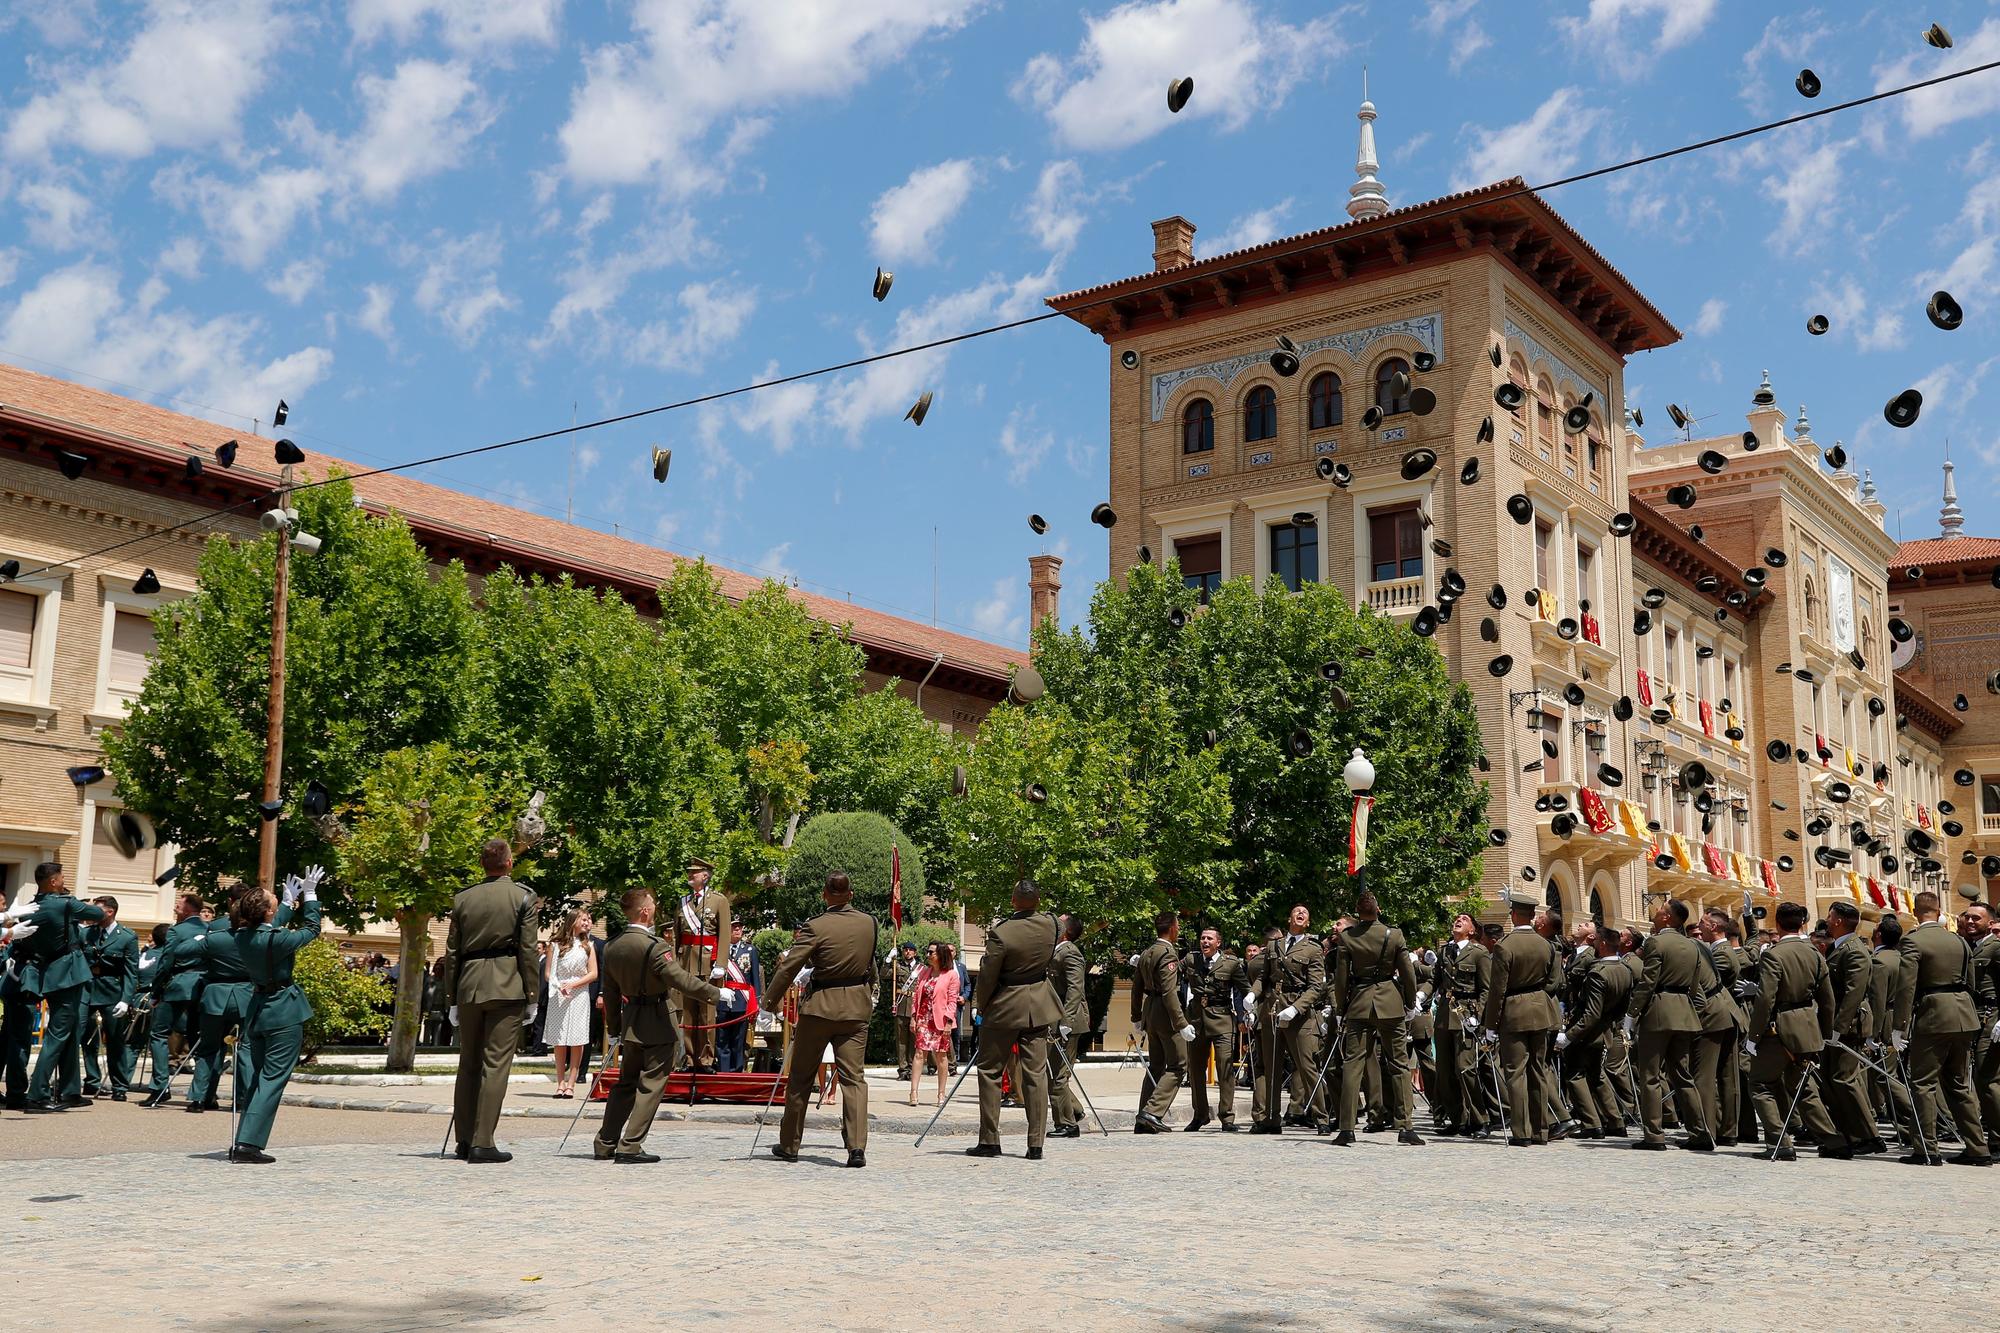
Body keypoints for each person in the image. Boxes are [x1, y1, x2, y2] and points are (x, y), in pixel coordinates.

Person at [592, 888, 725, 1164]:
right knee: (651, 1084)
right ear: (644, 911)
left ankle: (605, 1142)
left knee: (625, 1083)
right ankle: (630, 1145)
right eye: (652, 905)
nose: (654, 908)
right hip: (657, 1020)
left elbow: (611, 992)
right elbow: (681, 980)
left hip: (631, 1023)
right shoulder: (654, 946)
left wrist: (614, 1029)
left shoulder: (613, 945)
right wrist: (715, 993)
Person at [762, 871, 878, 1168]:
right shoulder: (869, 923)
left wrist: (769, 1001)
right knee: (854, 1079)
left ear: (825, 894)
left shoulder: (816, 926)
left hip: (820, 1008)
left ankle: (790, 1144)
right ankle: (856, 1147)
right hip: (856, 1007)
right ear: (850, 894)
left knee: (801, 1077)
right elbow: (871, 962)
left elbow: (789, 967)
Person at [444, 838, 538, 1164]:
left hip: (469, 985)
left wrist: (451, 996)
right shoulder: (523, 896)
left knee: (468, 1063)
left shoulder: (462, 898)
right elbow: (528, 951)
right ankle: (484, 1141)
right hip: (507, 985)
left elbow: (452, 952)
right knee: (495, 1064)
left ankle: (464, 1139)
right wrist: (532, 996)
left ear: (482, 865)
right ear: (509, 863)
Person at [229, 867, 325, 1163]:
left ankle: (243, 1140)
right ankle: (248, 1144)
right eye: (273, 900)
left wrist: (285, 903)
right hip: (282, 1011)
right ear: (267, 912)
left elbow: (267, 931)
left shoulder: (243, 936)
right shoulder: (274, 939)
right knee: (272, 1079)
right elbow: (312, 929)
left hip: (258, 1010)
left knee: (259, 1079)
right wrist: (309, 896)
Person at [1893, 889, 1991, 1166]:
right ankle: (1977, 1147)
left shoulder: (1912, 942)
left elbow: (1906, 987)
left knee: (1922, 1083)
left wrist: (1899, 1026)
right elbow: (1971, 981)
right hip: (1963, 1014)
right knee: (1959, 1085)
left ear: (1915, 911)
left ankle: (1926, 1148)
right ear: (1939, 911)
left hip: (1934, 1014)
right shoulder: (1958, 941)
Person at [967, 879, 1062, 1160]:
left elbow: (987, 976)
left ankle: (990, 1140)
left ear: (1013, 901)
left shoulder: (1002, 933)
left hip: (1006, 1005)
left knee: (990, 1071)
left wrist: (980, 1006)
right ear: (1039, 900)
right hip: (1038, 1005)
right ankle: (1036, 1143)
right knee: (1036, 1073)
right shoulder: (1052, 924)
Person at [3, 862, 108, 1112]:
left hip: (46, 973)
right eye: (61, 878)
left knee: (70, 1032)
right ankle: (38, 1093)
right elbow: (98, 914)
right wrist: (75, 901)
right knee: (58, 1033)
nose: (63, 881)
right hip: (68, 973)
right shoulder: (65, 903)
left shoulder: (31, 907)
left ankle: (70, 1090)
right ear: (53, 881)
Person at [1746, 899, 1845, 1160]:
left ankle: (1779, 1141)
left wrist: (1753, 1036)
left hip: (1779, 1028)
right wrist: (1823, 1033)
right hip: (1807, 1026)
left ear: (1777, 924)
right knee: (1804, 1087)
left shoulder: (1774, 954)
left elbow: (1766, 998)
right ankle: (1832, 1140)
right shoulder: (1814, 954)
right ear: (1802, 924)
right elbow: (1827, 1000)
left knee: (1760, 1084)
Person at [1330, 892, 1421, 1146]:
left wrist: (1340, 1008)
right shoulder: (1395, 935)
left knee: (1353, 1065)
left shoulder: (1348, 937)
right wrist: (1410, 1002)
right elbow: (1407, 974)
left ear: (1358, 913)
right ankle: (1405, 1126)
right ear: (1378, 910)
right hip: (1390, 1002)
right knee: (1399, 1064)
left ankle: (1347, 1127)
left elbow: (1341, 979)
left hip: (1359, 1003)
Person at [1626, 899, 1708, 1151]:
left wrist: (1632, 1014)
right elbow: (1695, 986)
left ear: (1668, 918)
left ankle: (1654, 1134)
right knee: (1683, 1075)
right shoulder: (1692, 945)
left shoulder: (1655, 942)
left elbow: (1648, 981)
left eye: (1662, 909)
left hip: (1659, 1011)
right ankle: (1699, 1131)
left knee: (1650, 1075)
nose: (1657, 911)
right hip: (1684, 1011)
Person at [1480, 890, 1560, 1147]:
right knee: (1538, 1070)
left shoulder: (1505, 945)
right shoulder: (1546, 944)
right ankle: (1541, 1130)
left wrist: (1490, 1024)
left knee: (1515, 1072)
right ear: (1532, 916)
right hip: (1540, 1008)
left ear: (1513, 915)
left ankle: (1522, 1131)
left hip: (1514, 1011)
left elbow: (1497, 989)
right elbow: (1552, 981)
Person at [178, 886, 256, 1115]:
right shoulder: (259, 936)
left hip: (215, 994)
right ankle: (243, 1100)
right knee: (245, 1049)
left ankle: (200, 1098)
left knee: (209, 1048)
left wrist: (204, 939)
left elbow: (182, 951)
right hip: (246, 993)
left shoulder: (216, 932)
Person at [1561, 922, 1635, 1138]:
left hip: (1587, 1032)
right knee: (1596, 1075)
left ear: (1602, 944)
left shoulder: (1598, 973)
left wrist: (1568, 1036)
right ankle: (1615, 1121)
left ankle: (1592, 1123)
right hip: (1605, 1031)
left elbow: (1591, 1012)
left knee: (1574, 1074)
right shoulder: (1624, 969)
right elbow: (1622, 1007)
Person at [1821, 901, 1884, 1154]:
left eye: (1829, 915)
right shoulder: (1840, 948)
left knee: (1844, 1079)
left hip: (1850, 1025)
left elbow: (1853, 993)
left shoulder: (1854, 950)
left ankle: (1869, 1136)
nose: (1826, 919)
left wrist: (1839, 1027)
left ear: (1837, 921)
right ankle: (1848, 1134)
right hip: (1837, 1024)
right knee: (1832, 1079)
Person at [1130, 908, 1195, 1134]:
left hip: (1150, 1010)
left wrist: (1136, 1016)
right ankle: (1152, 1111)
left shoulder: (1147, 952)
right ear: (1172, 928)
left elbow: (1136, 988)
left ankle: (1143, 1117)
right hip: (1166, 1013)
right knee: (1178, 1064)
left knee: (1156, 1066)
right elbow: (1169, 992)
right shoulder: (1167, 953)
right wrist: (1181, 1023)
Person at [143, 892, 211, 1106]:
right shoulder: (210, 929)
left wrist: (155, 991)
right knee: (199, 1038)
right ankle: (202, 1094)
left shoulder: (177, 930)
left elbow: (166, 961)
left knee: (159, 1034)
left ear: (190, 908)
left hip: (178, 984)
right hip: (203, 985)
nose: (175, 908)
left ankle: (160, 1087)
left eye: (179, 905)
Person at [1690, 907, 1746, 1150]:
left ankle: (1707, 1130)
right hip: (1727, 1014)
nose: (1698, 927)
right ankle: (1727, 1129)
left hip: (1716, 1014)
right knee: (1726, 1075)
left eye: (1702, 923)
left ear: (1713, 927)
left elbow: (1711, 985)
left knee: (1708, 1075)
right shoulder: (1717, 950)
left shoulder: (1721, 953)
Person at [1268, 904, 1327, 1126]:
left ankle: (1321, 1116)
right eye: (1296, 911)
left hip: (1300, 1014)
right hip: (1274, 1010)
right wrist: (1254, 998)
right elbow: (1265, 978)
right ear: (1289, 918)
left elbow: (1315, 987)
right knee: (1272, 1066)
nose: (1300, 914)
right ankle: (1270, 1118)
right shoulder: (1275, 945)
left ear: (1308, 923)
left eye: (1305, 913)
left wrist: (1295, 1008)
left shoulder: (1313, 948)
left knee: (1307, 1067)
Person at [1184, 926, 1246, 1132]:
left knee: (1225, 1068)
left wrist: (1247, 1012)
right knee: (1195, 1070)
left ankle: (1227, 1117)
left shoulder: (1231, 964)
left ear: (1218, 943)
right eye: (1202, 938)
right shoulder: (1192, 960)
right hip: (1196, 1020)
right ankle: (1200, 1114)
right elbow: (1171, 968)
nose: (1205, 941)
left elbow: (1244, 990)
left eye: (1209, 938)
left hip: (1222, 1019)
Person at [673, 856, 731, 1072]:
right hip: (686, 963)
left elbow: (724, 934)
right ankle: (689, 1059)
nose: (690, 875)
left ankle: (706, 1060)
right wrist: (676, 964)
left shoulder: (719, 901)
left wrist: (721, 963)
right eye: (689, 872)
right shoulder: (683, 902)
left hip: (708, 963)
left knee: (706, 1014)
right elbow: (678, 938)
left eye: (694, 872)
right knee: (688, 1014)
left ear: (705, 876)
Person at [80, 896, 140, 1100]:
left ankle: (120, 1086)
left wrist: (126, 999)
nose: (92, 914)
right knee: (85, 1039)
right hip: (87, 990)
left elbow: (131, 972)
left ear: (110, 912)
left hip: (112, 992)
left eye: (97, 910)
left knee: (115, 1041)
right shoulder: (86, 933)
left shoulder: (127, 936)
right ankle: (91, 1081)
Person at [544, 910, 598, 1099]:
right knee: (559, 1041)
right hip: (559, 995)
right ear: (573, 921)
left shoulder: (588, 946)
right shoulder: (555, 945)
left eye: (587, 920)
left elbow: (593, 973)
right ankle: (560, 1082)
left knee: (577, 1039)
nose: (586, 922)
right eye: (583, 919)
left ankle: (572, 1083)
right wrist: (560, 986)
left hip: (579, 994)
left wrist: (573, 985)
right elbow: (549, 973)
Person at [1047, 915, 1089, 1136]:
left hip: (1067, 1022)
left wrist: (1066, 1022)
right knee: (1051, 1073)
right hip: (1055, 1020)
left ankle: (1067, 1124)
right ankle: (1074, 1110)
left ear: (1066, 931)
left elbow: (1075, 990)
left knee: (1058, 1076)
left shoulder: (1070, 952)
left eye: (1059, 921)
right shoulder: (1055, 950)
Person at [0, 912, 47, 1108]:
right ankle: (16, 1094)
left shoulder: (17, 941)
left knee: (5, 1042)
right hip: (22, 990)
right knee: (19, 1045)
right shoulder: (31, 938)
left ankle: (15, 1092)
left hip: (12, 988)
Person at [907, 940, 959, 1107]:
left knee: (941, 1056)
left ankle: (941, 1094)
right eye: (927, 952)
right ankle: (913, 1092)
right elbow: (916, 996)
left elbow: (952, 1001)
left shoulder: (951, 975)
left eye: (931, 952)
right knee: (919, 1053)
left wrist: (949, 1023)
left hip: (941, 1021)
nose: (928, 955)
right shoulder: (924, 972)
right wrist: (913, 1017)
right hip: (923, 1018)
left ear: (941, 955)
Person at [1967, 902, 2000, 1141]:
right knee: (1981, 1080)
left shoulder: (1996, 947)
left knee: (1988, 1080)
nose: (1970, 922)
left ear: (1990, 923)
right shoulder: (1971, 947)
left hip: (1992, 1017)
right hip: (1976, 1017)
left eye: (1976, 918)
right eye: (1968, 917)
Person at [716, 920, 761, 1074]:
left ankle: (736, 1072)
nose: (737, 929)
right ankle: (723, 1071)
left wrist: (757, 1001)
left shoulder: (750, 950)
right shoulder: (720, 950)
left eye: (740, 927)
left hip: (742, 1000)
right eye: (734, 926)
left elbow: (755, 978)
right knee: (722, 1038)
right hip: (722, 999)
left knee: (738, 1040)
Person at [889, 939, 919, 1080]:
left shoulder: (921, 968)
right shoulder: (897, 966)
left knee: (914, 1040)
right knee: (901, 1041)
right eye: (905, 950)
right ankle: (903, 1069)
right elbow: (884, 974)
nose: (908, 952)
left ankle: (913, 1068)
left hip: (915, 1007)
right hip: (901, 1005)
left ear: (915, 952)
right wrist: (888, 960)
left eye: (910, 950)